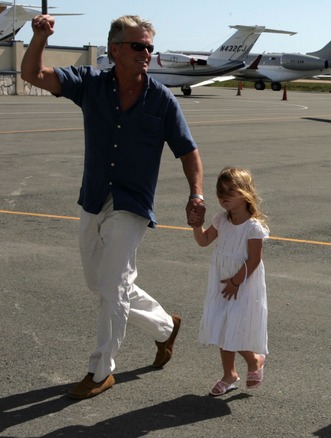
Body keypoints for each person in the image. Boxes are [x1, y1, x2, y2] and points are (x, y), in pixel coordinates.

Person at [21, 14, 206, 400]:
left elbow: (188, 151)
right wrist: (38, 37)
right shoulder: (90, 84)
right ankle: (164, 328)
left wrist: (196, 194)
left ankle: (101, 370)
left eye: (150, 47)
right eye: (138, 46)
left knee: (114, 285)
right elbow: (33, 75)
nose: (146, 54)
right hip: (94, 197)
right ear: (115, 48)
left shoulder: (162, 99)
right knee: (100, 283)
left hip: (132, 204)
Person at [191, 167, 269, 397]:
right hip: (221, 281)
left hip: (243, 284)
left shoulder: (254, 227)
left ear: (245, 194)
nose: (223, 195)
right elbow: (204, 241)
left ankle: (255, 359)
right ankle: (230, 374)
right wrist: (196, 224)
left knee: (233, 326)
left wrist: (236, 281)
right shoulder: (221, 220)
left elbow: (254, 260)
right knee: (222, 325)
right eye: (220, 191)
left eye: (230, 191)